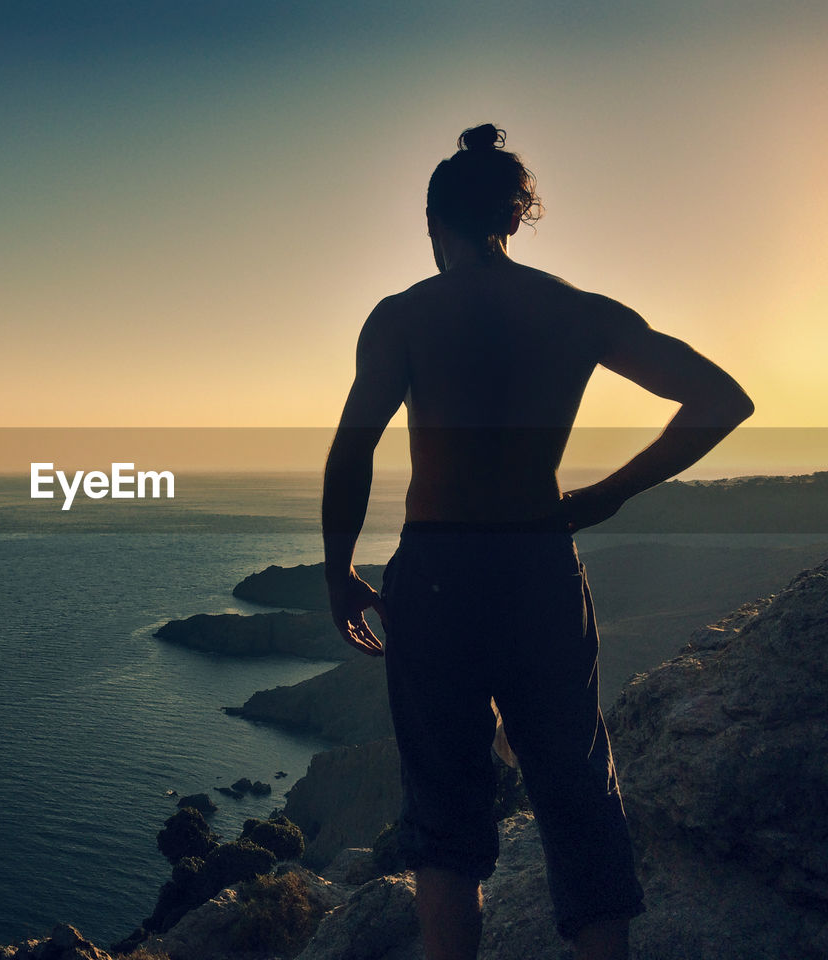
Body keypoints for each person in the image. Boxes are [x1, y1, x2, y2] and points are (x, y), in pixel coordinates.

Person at [320, 124, 753, 960]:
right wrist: (607, 496)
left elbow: (354, 447)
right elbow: (719, 398)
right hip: (537, 563)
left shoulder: (404, 317)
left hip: (439, 569)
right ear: (514, 220)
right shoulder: (577, 312)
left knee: (445, 810)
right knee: (575, 790)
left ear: (433, 223)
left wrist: (339, 572)